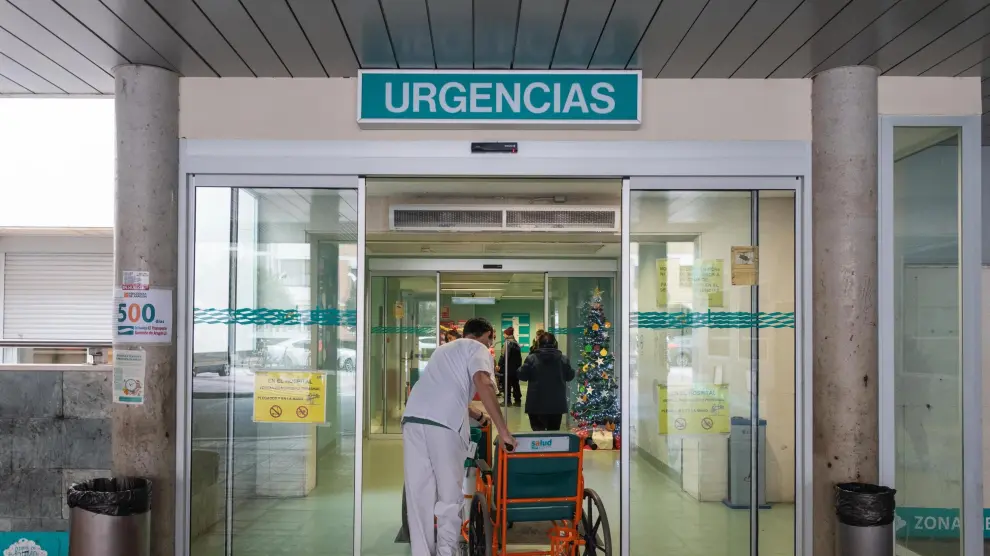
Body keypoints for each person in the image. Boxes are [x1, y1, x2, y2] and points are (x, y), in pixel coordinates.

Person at [402, 317, 517, 556]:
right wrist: (504, 431)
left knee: (419, 495)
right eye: (490, 339)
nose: (491, 343)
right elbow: (483, 382)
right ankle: (447, 552)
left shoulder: (442, 350)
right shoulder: (478, 348)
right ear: (485, 335)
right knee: (449, 496)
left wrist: (479, 416)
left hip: (413, 419)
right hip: (444, 426)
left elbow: (445, 392)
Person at [518, 332, 575, 431]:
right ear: (555, 344)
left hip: (535, 404)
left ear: (539, 344)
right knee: (553, 434)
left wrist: (519, 369)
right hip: (556, 405)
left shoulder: (532, 359)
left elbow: (522, 376)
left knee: (538, 434)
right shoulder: (563, 359)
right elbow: (569, 376)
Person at [497, 326, 523, 407]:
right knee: (515, 384)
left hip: (507, 368)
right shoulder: (516, 343)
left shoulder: (507, 343)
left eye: (504, 334)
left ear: (507, 334)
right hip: (515, 368)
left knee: (507, 384)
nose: (503, 335)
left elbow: (504, 356)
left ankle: (507, 401)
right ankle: (517, 400)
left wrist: (499, 364)